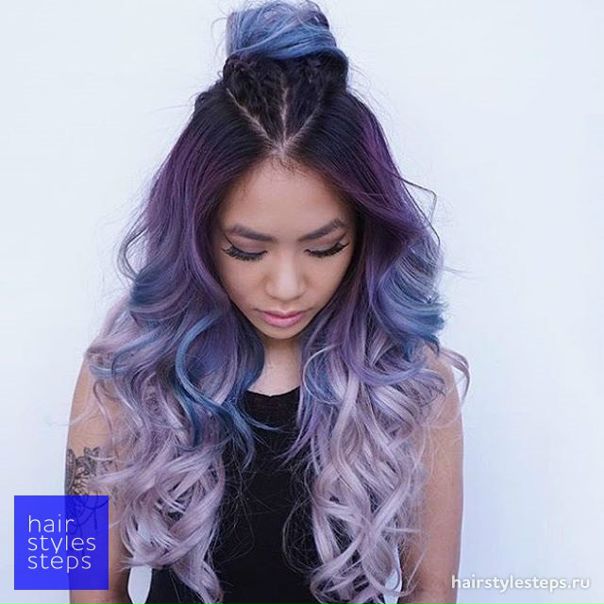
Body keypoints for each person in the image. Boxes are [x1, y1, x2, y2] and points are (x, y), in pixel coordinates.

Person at [65, 1, 470, 603]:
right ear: (197, 233)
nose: (285, 287)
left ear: (367, 236)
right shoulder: (113, 368)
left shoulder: (417, 379)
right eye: (247, 250)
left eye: (324, 248)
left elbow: (435, 590)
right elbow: (67, 576)